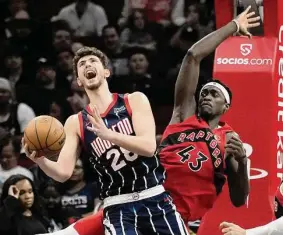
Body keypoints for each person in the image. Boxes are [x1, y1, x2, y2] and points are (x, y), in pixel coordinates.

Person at [35, 6, 261, 235]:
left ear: (227, 106)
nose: (206, 95)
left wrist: (241, 163)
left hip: (165, 207)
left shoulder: (229, 140)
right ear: (78, 81)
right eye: (204, 91)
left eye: (215, 94)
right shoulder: (184, 114)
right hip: (126, 199)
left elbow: (239, 198)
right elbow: (193, 56)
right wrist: (40, 158)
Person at [23, 45, 189, 234]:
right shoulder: (76, 122)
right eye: (82, 64)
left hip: (155, 197)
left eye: (93, 61)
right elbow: (63, 173)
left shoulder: (134, 100)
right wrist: (40, 160)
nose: (87, 65)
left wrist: (109, 135)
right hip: (118, 206)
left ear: (106, 72)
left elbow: (149, 147)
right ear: (78, 80)